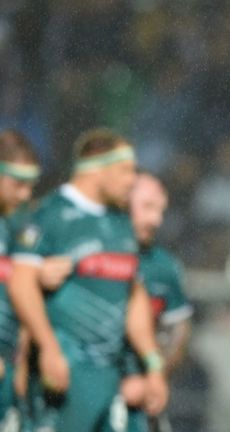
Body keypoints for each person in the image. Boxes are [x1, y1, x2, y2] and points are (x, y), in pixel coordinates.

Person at [8, 128, 168, 431]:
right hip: (64, 371)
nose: (132, 179)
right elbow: (21, 284)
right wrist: (49, 348)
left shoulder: (122, 223)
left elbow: (132, 294)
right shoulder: (49, 215)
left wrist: (153, 364)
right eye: (125, 170)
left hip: (111, 377)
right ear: (96, 169)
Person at [121, 172, 193, 432]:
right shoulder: (91, 251)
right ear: (123, 200)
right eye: (147, 207)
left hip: (142, 400)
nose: (156, 220)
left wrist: (155, 376)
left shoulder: (164, 266)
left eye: (161, 210)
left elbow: (179, 330)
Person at [0, 129, 41, 429]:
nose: (26, 194)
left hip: (10, 362)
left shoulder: (16, 226)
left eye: (31, 186)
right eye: (18, 184)